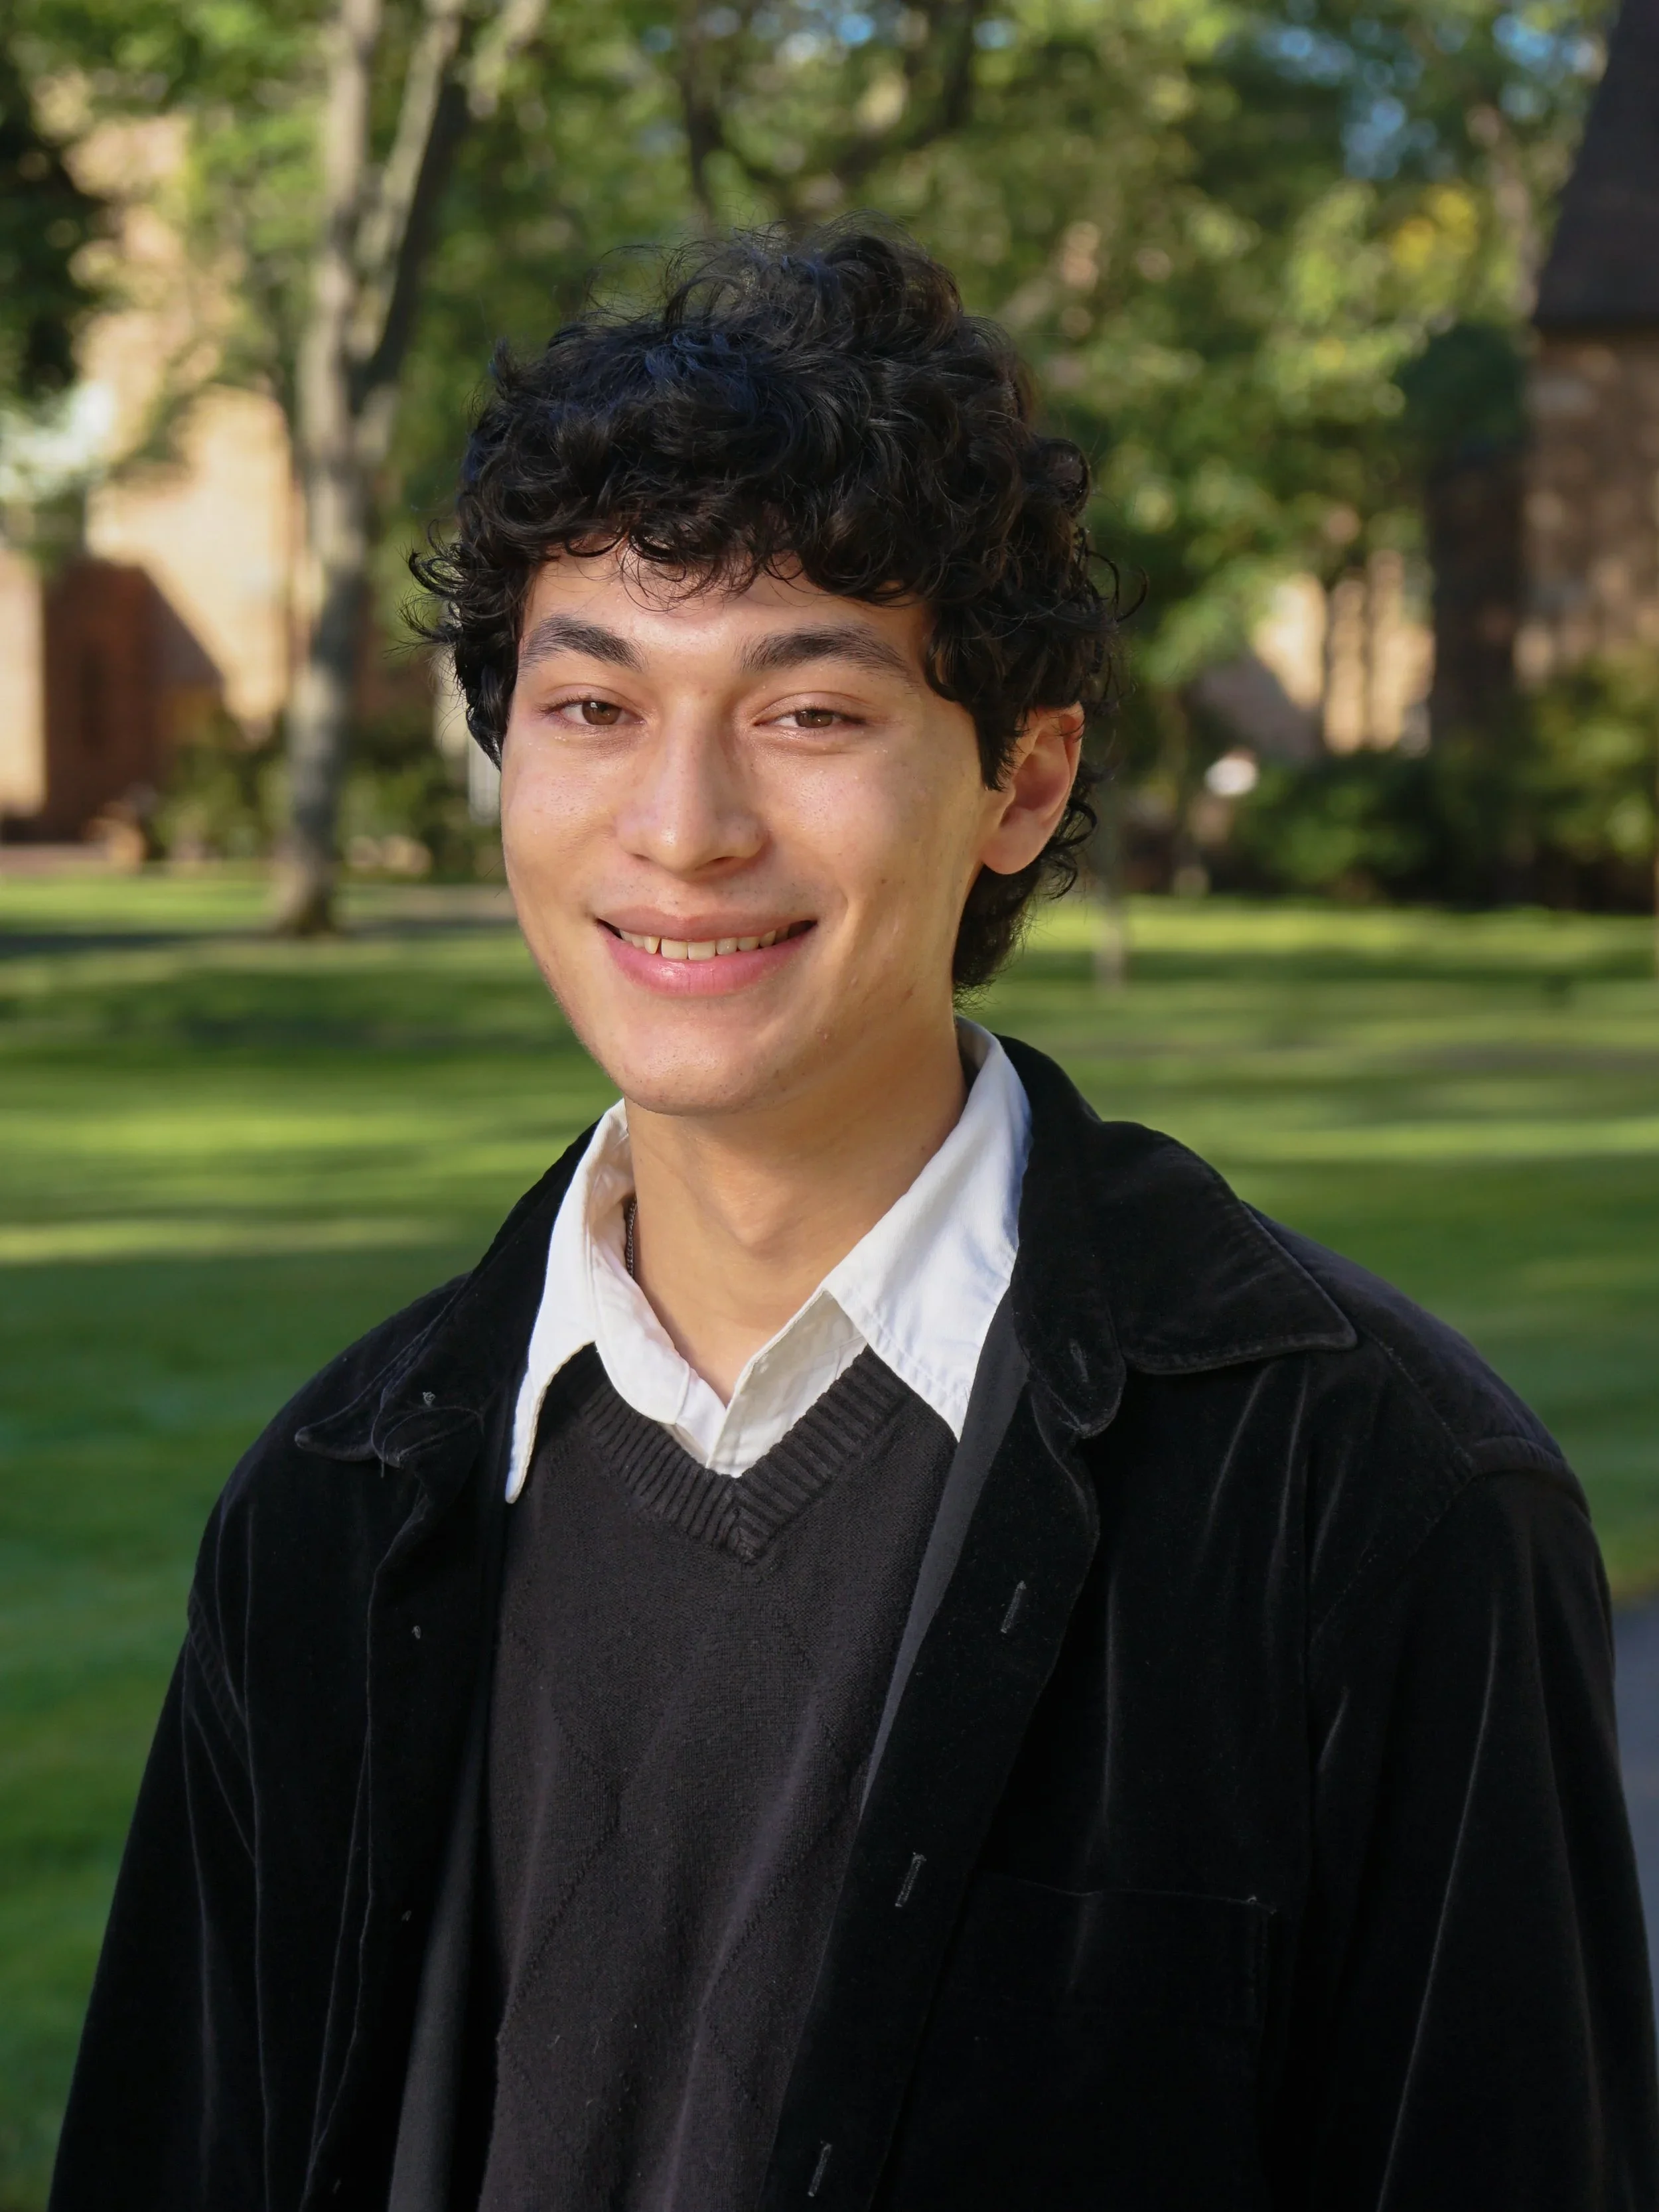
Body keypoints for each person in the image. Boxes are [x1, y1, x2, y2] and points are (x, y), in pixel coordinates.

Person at [50, 225, 1658, 2212]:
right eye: (592, 708)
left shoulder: (1372, 1510)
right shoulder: (329, 1505)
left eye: (807, 713)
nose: (684, 823)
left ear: (1020, 776)